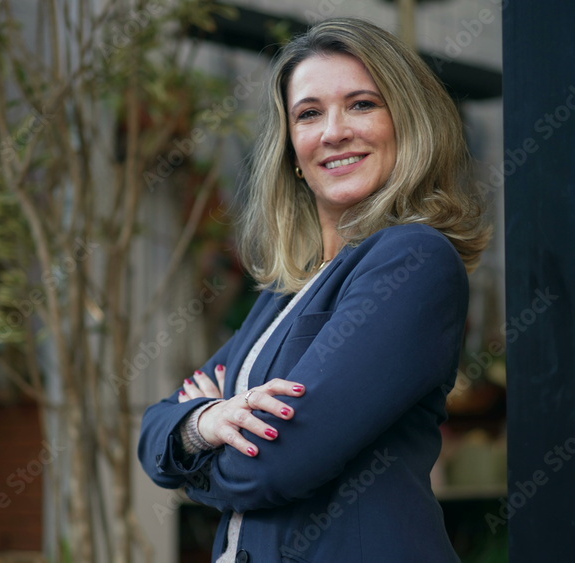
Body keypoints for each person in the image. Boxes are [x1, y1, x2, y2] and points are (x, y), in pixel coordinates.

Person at [138, 17, 490, 562]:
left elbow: (273, 463)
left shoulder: (413, 260)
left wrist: (194, 463)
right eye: (309, 114)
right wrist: (204, 422)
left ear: (408, 124)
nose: (333, 132)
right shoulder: (286, 292)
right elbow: (155, 429)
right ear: (293, 155)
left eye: (362, 105)